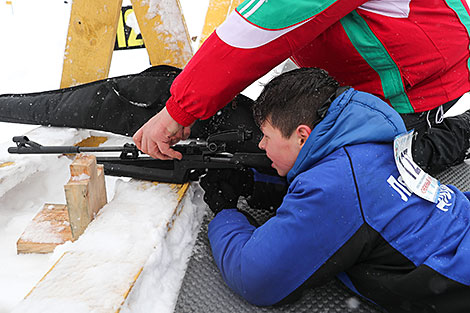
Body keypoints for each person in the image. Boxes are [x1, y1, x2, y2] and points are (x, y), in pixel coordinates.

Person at [199, 68, 470, 313]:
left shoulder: (334, 188)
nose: (261, 146)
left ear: (302, 136)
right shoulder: (370, 144)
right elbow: (353, 198)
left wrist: (226, 213)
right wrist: (255, 186)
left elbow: (255, 278)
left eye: (267, 137)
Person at [133, 0, 470, 174]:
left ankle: (449, 135)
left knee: (355, 177)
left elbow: (262, 26)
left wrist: (178, 111)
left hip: (411, 78)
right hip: (395, 57)